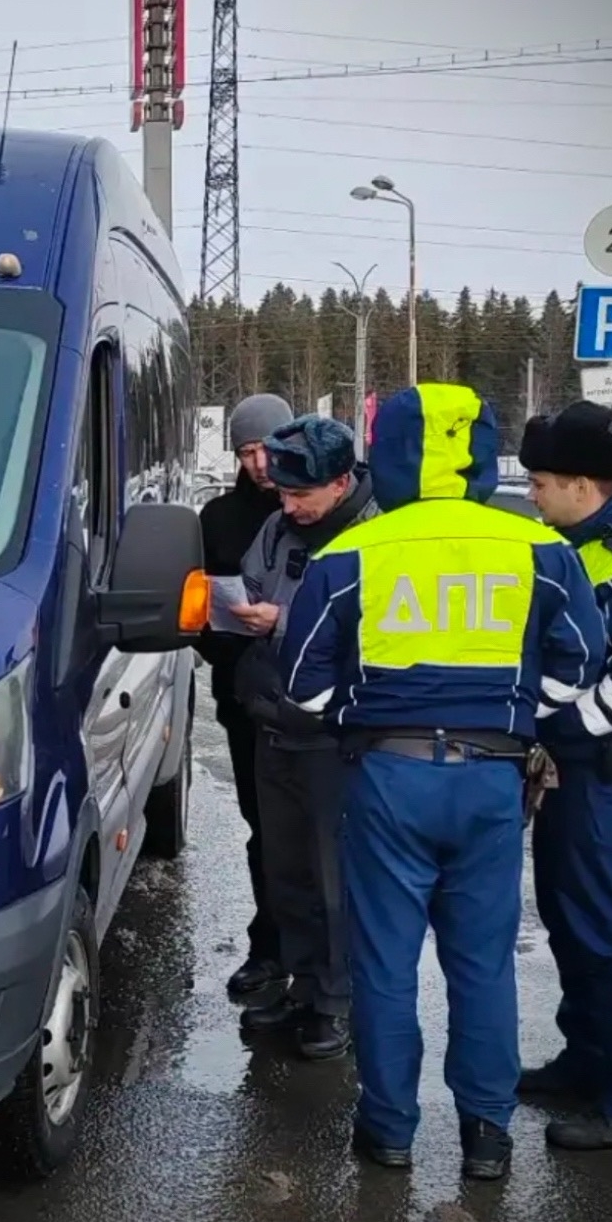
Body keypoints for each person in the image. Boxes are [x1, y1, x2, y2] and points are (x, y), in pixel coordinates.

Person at [281, 383, 603, 1180]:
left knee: (386, 964)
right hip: (492, 775)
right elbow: (584, 658)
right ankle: (486, 1138)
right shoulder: (539, 547)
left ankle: (388, 1130)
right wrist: (522, 712)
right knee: (483, 964)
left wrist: (358, 716)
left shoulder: (354, 551)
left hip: (388, 773)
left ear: (384, 456)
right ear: (485, 456)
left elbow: (299, 677)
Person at [519, 402, 612, 1153]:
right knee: (569, 917)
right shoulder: (574, 544)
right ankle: (589, 1059)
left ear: (581, 485)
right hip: (575, 770)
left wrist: (561, 733)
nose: (532, 495)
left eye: (540, 483)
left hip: (608, 771)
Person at [232, 414, 376, 1060]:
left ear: (341, 482)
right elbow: (256, 573)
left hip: (334, 735)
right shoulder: (277, 525)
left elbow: (368, 626)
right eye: (283, 495)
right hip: (273, 722)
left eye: (301, 496)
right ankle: (298, 982)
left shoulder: (376, 535)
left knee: (332, 876)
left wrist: (282, 619)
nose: (288, 505)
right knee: (284, 869)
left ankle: (335, 1002)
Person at [194, 394, 291, 998]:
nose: (258, 463)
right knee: (264, 829)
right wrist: (230, 644)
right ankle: (270, 944)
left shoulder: (325, 509)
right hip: (244, 698)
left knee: (320, 834)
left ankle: (329, 958)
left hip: (319, 705)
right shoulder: (218, 520)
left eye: (268, 449)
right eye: (246, 451)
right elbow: (197, 611)